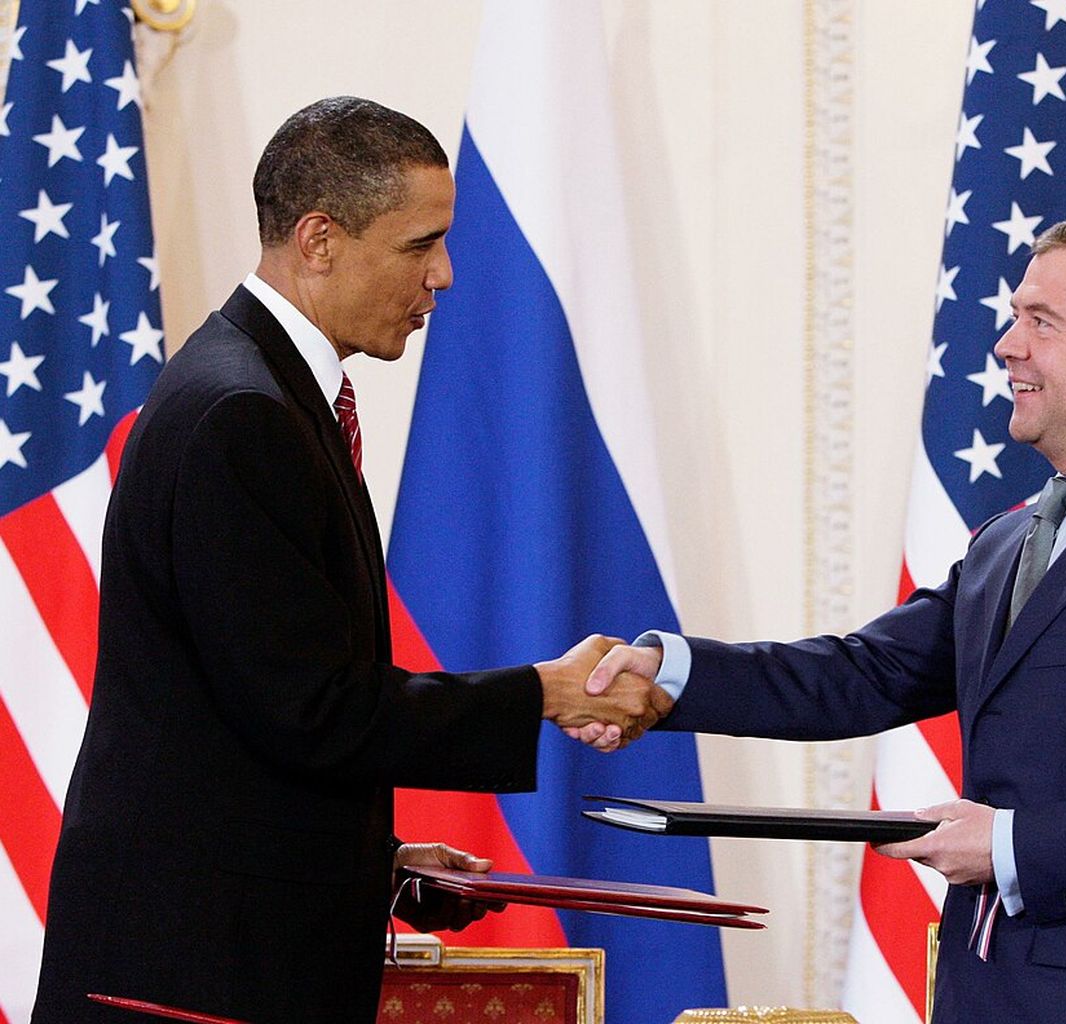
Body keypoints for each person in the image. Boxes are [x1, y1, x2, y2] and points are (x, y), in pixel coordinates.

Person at [31, 97, 667, 1024]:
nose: (444, 277)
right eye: (422, 245)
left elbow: (240, 721)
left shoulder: (261, 389)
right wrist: (545, 691)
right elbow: (311, 709)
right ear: (319, 239)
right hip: (195, 975)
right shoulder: (239, 414)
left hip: (224, 945)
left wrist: (382, 860)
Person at [584, 217, 1066, 1023]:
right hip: (980, 992)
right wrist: (668, 672)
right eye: (1015, 316)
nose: (1006, 345)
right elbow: (861, 674)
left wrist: (1004, 845)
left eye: (1042, 320)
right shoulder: (1008, 539)